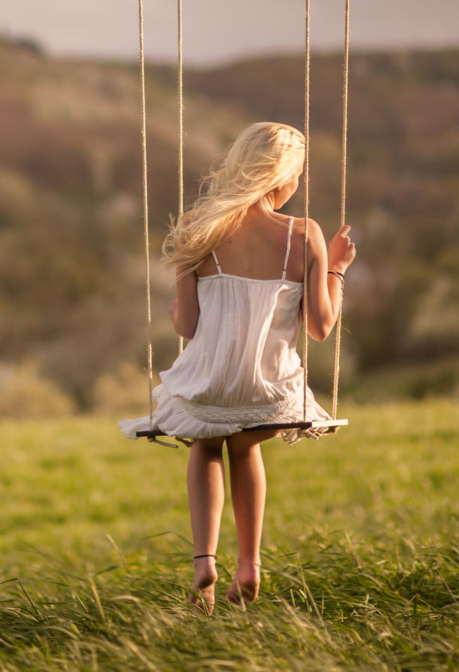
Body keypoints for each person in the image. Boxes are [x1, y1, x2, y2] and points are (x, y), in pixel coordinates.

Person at [119, 121, 356, 612]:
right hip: (269, 387)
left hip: (210, 381)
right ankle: (250, 563)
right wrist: (335, 268)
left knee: (206, 447)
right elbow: (321, 327)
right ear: (283, 177)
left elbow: (186, 325)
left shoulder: (196, 227)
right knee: (246, 449)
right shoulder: (303, 234)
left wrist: (175, 310)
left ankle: (205, 561)